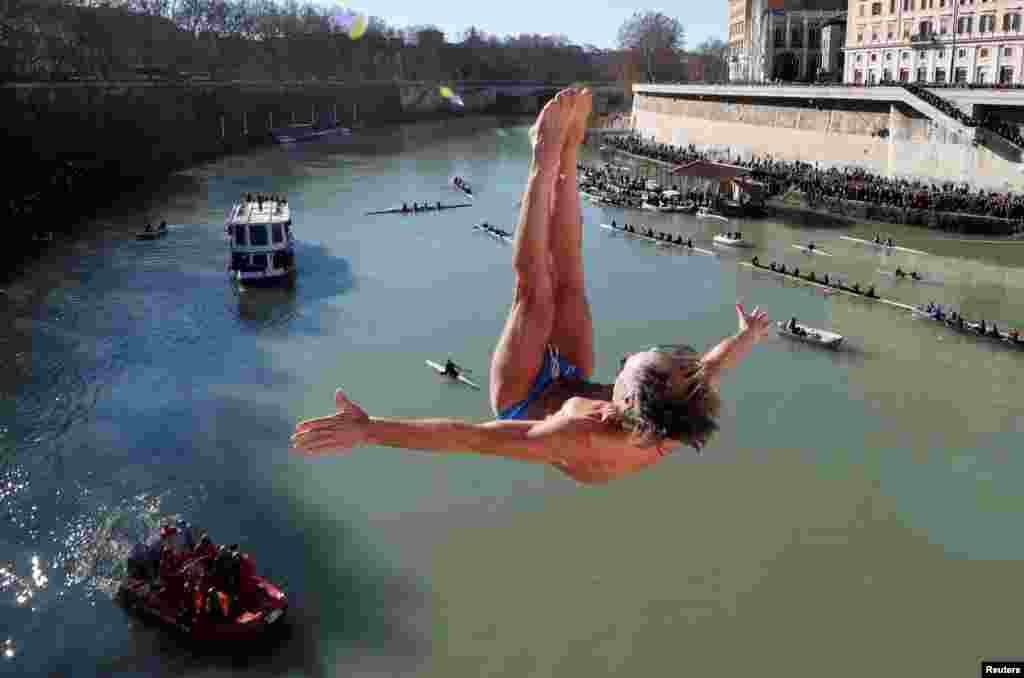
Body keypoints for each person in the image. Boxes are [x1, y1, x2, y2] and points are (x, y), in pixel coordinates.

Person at [291, 88, 771, 484]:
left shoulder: (574, 433)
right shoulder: (672, 409)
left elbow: (471, 437)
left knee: (535, 293)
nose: (622, 360)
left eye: (627, 366)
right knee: (572, 278)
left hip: (524, 398)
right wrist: (746, 337)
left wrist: (370, 429)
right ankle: (569, 156)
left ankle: (542, 158)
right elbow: (711, 366)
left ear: (624, 403)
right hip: (572, 381)